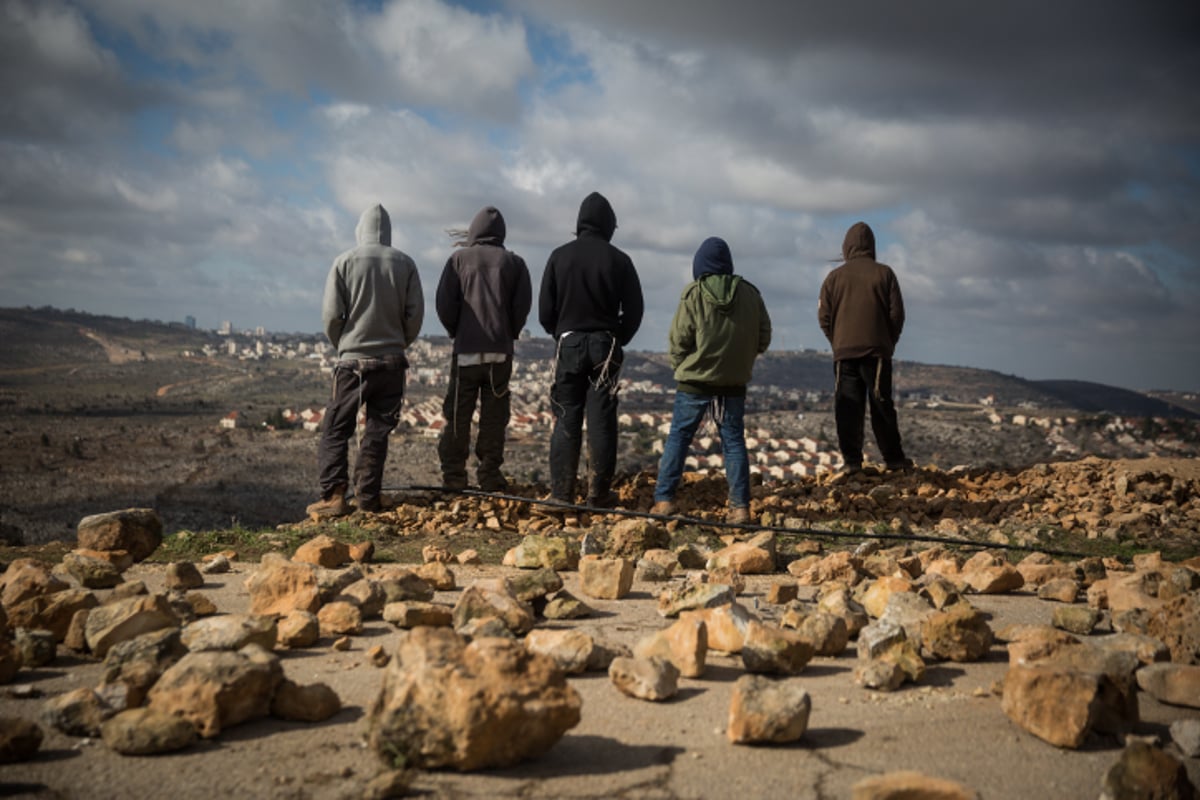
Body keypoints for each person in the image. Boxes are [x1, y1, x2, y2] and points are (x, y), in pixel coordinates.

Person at [306, 204, 424, 517]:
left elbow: (332, 315)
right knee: (377, 432)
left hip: (352, 363)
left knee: (335, 429)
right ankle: (368, 499)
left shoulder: (343, 262)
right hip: (392, 363)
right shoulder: (405, 263)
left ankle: (334, 497)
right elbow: (415, 316)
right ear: (387, 232)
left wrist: (343, 345)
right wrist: (399, 343)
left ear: (360, 230)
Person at [651, 237, 771, 524]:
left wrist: (683, 368)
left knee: (679, 438)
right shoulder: (750, 293)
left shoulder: (693, 293)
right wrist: (741, 359)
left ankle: (665, 501)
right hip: (733, 384)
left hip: (695, 382)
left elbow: (679, 339)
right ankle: (740, 507)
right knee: (733, 442)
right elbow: (764, 337)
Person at [538, 191, 644, 507]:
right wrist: (618, 338)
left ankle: (561, 494)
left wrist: (561, 334)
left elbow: (546, 311)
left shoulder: (559, 256)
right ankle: (598, 495)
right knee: (601, 420)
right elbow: (635, 310)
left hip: (568, 343)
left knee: (566, 415)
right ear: (609, 225)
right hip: (605, 345)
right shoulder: (620, 260)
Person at [434, 205, 532, 492]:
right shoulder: (515, 263)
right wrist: (508, 333)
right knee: (494, 416)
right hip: (499, 353)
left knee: (456, 415)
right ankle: (489, 475)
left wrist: (457, 332)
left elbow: (444, 304)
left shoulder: (458, 259)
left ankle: (454, 477)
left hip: (465, 351)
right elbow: (521, 307)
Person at [817, 221, 911, 474]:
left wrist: (837, 341)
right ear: (872, 246)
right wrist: (887, 342)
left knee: (847, 406)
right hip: (877, 352)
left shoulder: (833, 278)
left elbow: (823, 317)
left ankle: (851, 462)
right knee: (881, 404)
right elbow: (897, 315)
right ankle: (894, 460)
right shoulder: (885, 274)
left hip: (844, 353)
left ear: (846, 246)